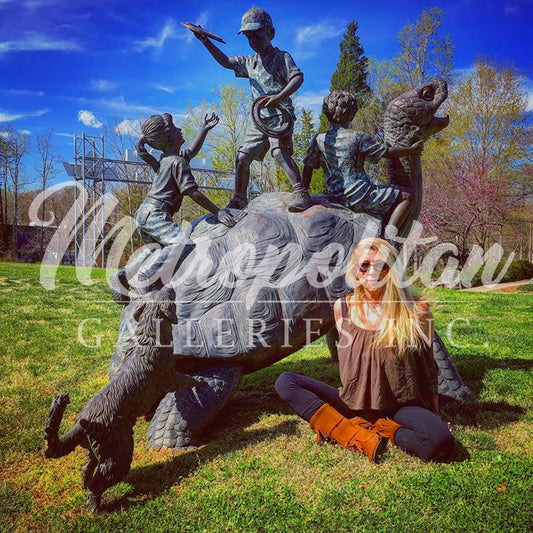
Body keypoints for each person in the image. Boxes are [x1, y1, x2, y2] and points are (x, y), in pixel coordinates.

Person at [275, 237, 455, 463]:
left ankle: (386, 429)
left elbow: (429, 369)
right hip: (352, 402)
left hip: (399, 407)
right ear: (355, 271)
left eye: (382, 266)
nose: (372, 272)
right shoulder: (342, 308)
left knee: (439, 443)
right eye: (365, 265)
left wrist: (433, 413)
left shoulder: (417, 312)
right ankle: (354, 435)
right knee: (286, 382)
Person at [195, 7, 313, 213]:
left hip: (280, 117)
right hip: (258, 121)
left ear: (271, 33)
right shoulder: (250, 62)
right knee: (242, 157)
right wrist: (206, 42)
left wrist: (279, 98)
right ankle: (239, 198)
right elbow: (226, 62)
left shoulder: (282, 57)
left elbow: (297, 77)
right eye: (249, 37)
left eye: (257, 35)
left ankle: (302, 193)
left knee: (279, 152)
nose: (253, 41)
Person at [111, 112, 240, 300]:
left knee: (155, 248)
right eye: (176, 129)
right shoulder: (177, 162)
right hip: (156, 212)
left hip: (144, 213)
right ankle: (147, 277)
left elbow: (191, 152)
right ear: (170, 138)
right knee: (181, 244)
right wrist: (217, 211)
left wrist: (204, 129)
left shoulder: (167, 160)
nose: (180, 130)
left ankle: (123, 275)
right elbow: (192, 192)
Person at [302, 90, 424, 235]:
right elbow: (387, 152)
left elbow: (308, 167)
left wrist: (303, 192)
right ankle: (389, 236)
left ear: (326, 113)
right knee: (408, 195)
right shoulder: (358, 137)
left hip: (335, 196)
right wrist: (411, 150)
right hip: (360, 197)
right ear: (352, 113)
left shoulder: (318, 139)